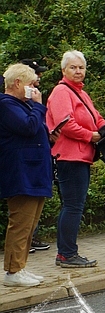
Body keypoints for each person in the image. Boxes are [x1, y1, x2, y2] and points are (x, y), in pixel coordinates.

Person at [46, 50, 105, 267]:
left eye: (81, 67)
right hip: (70, 157)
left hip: (81, 156)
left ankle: (67, 252)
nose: (78, 71)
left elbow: (96, 117)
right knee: (73, 206)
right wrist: (91, 136)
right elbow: (66, 124)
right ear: (64, 70)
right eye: (73, 67)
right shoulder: (62, 92)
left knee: (74, 205)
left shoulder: (80, 92)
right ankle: (66, 254)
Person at [1, 63, 51, 287]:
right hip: (21, 173)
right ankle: (12, 271)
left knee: (30, 224)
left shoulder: (22, 105)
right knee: (20, 222)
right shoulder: (6, 105)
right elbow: (28, 128)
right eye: (32, 84)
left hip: (34, 171)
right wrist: (38, 106)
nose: (35, 89)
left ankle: (20, 266)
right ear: (18, 83)